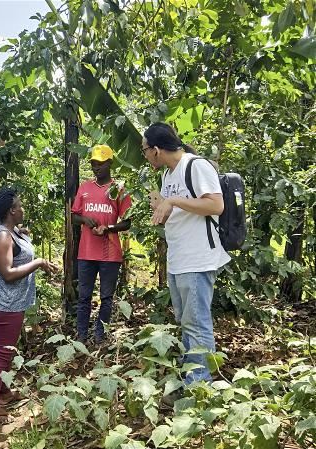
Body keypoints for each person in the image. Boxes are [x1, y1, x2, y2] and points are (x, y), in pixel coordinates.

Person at [142, 122, 230, 388]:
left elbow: (216, 204)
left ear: (156, 150)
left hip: (197, 258)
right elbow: (178, 211)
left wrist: (173, 201)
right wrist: (161, 204)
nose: (144, 156)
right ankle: (192, 376)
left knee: (196, 323)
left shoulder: (195, 166)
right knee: (185, 321)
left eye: (145, 150)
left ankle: (198, 387)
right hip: (178, 259)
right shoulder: (169, 175)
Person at [0, 187, 58, 424]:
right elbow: (8, 273)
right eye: (20, 206)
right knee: (3, 353)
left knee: (8, 350)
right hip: (6, 303)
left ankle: (3, 392)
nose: (23, 209)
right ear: (12, 211)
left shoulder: (10, 232)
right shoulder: (3, 236)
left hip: (13, 302)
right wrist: (38, 262)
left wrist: (21, 234)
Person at [71, 144, 132, 344]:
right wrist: (85, 220)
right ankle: (81, 335)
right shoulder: (85, 188)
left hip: (110, 254)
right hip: (86, 253)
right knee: (84, 297)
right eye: (94, 164)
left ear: (110, 163)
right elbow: (74, 217)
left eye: (100, 164)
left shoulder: (119, 189)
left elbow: (127, 222)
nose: (96, 168)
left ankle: (100, 335)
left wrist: (108, 228)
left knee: (106, 298)